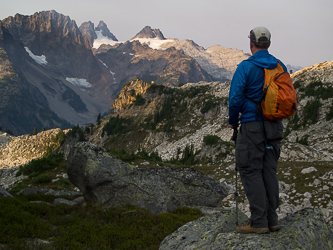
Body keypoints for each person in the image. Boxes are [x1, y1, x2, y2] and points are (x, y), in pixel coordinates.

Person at [229, 26, 286, 234]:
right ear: (268, 44)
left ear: (251, 43)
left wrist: (233, 122)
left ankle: (258, 222)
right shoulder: (280, 66)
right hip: (275, 127)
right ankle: (272, 220)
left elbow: (235, 99)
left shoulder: (245, 67)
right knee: (269, 170)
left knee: (251, 171)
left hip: (252, 126)